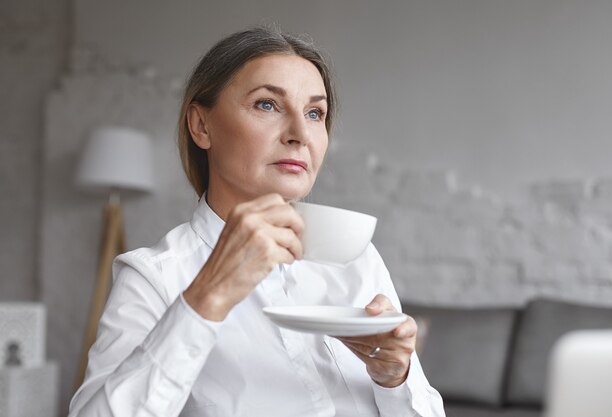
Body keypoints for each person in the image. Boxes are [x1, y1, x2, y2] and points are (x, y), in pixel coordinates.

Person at [68, 27, 445, 417]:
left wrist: (396, 379)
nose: (300, 134)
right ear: (201, 125)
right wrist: (206, 298)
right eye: (267, 105)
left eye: (315, 113)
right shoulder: (154, 277)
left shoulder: (357, 260)